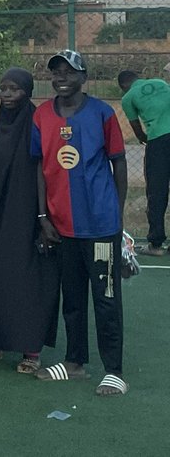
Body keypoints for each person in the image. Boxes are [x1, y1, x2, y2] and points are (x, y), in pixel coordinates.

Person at [34, 50, 128, 397]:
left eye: (69, 72)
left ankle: (114, 370)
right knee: (71, 298)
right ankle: (74, 363)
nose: (61, 77)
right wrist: (43, 216)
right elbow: (39, 167)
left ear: (83, 77)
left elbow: (119, 164)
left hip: (101, 226)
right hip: (61, 226)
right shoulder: (42, 115)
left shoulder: (103, 113)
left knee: (105, 298)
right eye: (56, 71)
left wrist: (116, 216)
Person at [0, 68, 59, 374]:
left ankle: (31, 349)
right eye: (3, 88)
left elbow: (42, 167)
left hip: (27, 211)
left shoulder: (35, 120)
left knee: (27, 277)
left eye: (14, 89)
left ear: (27, 92)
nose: (7, 95)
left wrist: (41, 215)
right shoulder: (1, 122)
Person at [118, 69, 170, 255]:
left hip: (158, 141)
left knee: (156, 192)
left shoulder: (128, 98)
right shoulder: (161, 83)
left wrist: (146, 139)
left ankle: (156, 244)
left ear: (123, 87)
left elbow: (137, 129)